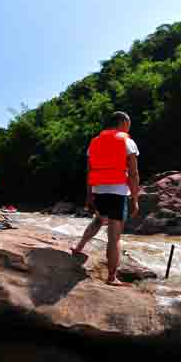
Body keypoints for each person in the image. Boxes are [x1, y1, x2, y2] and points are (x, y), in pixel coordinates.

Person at [70, 111, 140, 286]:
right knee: (114, 236)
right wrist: (135, 198)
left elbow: (89, 171)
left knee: (98, 220)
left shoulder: (94, 142)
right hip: (117, 191)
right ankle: (111, 277)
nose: (129, 127)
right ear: (123, 122)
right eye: (128, 123)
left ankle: (79, 248)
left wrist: (89, 196)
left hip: (98, 190)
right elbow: (133, 174)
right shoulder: (127, 142)